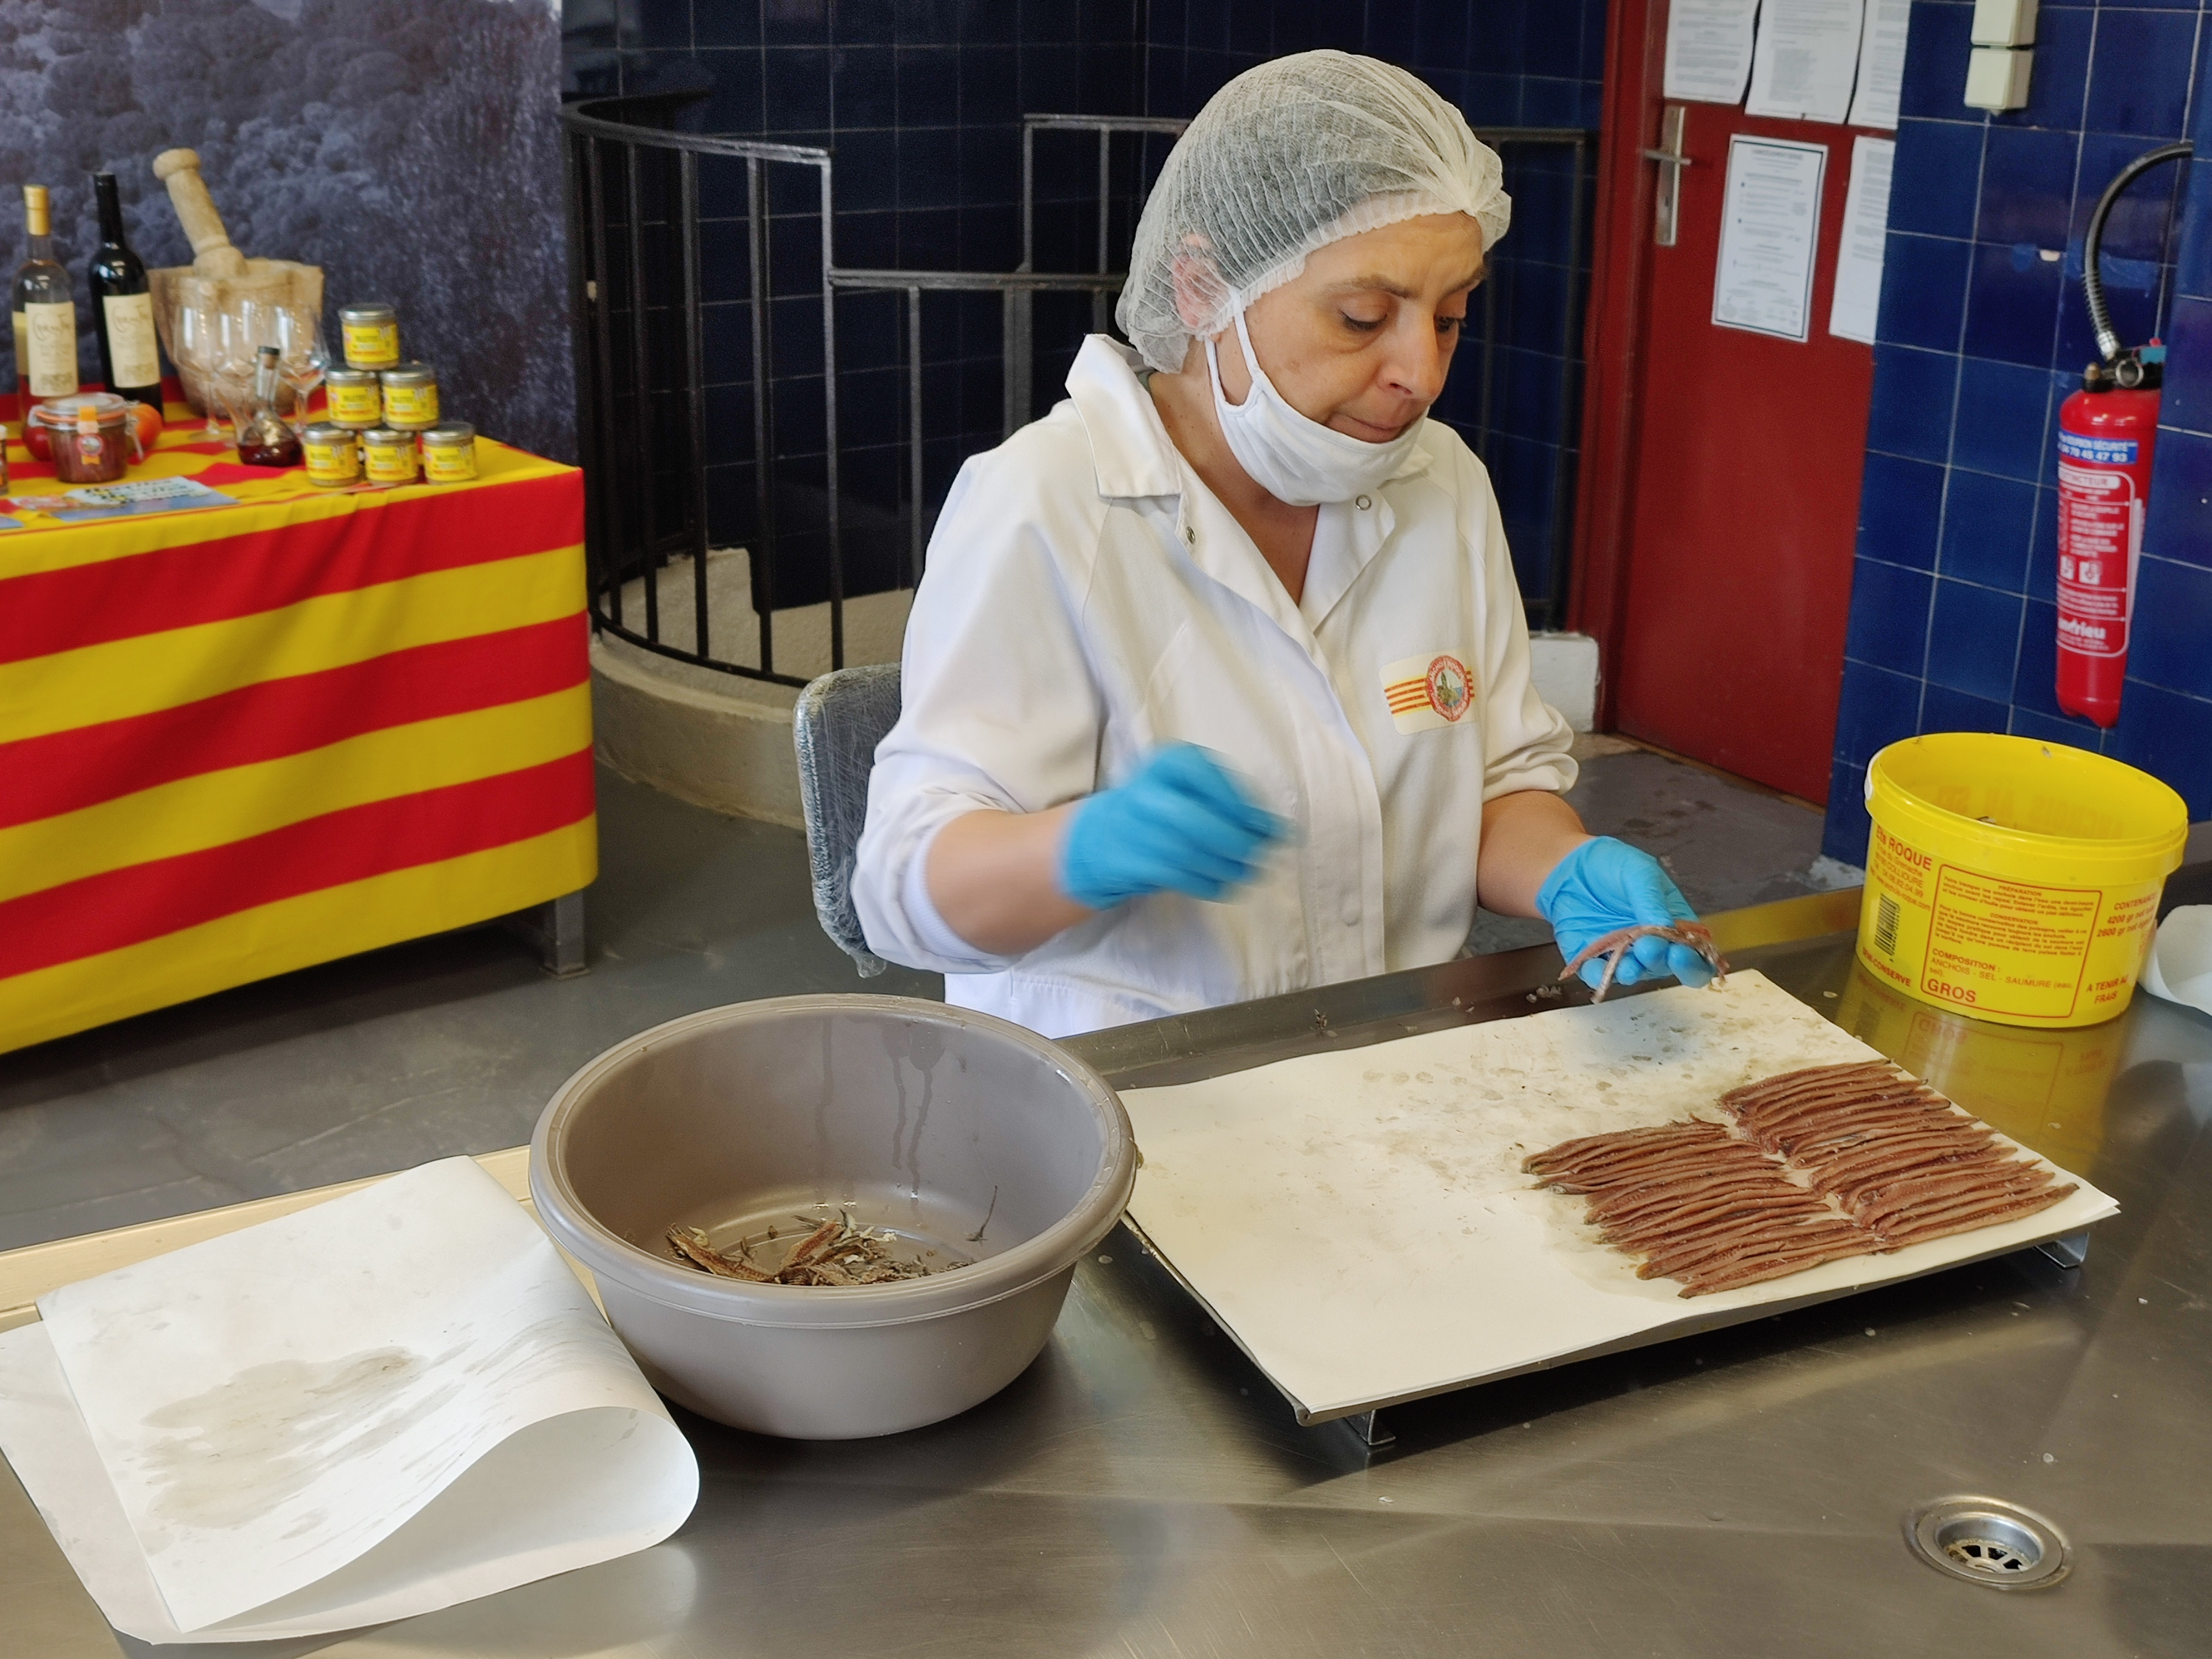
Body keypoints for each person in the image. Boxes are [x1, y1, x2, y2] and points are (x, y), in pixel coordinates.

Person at [853, 50, 1713, 1038]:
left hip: (1384, 1060)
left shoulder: (1442, 486)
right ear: (1201, 289)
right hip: (1129, 1087)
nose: (1422, 373)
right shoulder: (1046, 505)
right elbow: (900, 895)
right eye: (1362, 318)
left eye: (1450, 318)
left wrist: (1562, 865)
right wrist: (1078, 852)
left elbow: (1491, 789)